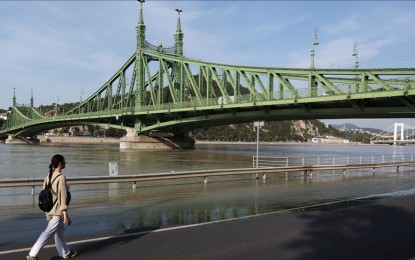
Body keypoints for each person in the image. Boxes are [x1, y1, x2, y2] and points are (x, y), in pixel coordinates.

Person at [27, 154, 77, 260]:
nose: (65, 163)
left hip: (49, 209)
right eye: (64, 161)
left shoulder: (48, 177)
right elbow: (62, 197)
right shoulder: (61, 177)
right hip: (57, 211)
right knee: (48, 232)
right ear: (60, 164)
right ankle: (32, 254)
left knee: (59, 232)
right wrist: (65, 214)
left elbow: (45, 195)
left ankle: (65, 253)